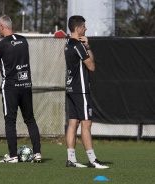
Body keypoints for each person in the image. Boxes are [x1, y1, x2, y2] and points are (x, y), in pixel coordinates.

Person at [0, 14, 42, 163]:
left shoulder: (2, 44)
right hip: (26, 84)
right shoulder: (23, 40)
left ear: (2, 27)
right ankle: (37, 153)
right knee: (30, 119)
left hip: (10, 86)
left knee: (10, 121)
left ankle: (13, 156)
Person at [64, 15, 109, 169]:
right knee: (86, 124)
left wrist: (86, 46)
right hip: (81, 89)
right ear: (78, 28)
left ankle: (71, 159)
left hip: (70, 87)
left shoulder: (68, 44)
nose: (86, 29)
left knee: (72, 123)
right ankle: (93, 160)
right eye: (84, 26)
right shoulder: (78, 45)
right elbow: (92, 66)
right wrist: (88, 47)